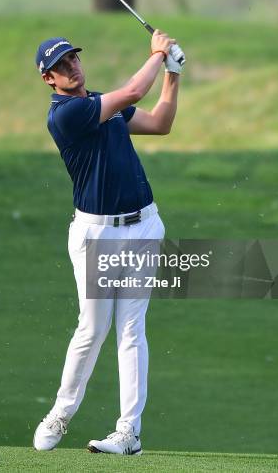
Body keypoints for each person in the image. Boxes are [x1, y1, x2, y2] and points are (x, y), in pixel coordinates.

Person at [33, 30, 185, 455]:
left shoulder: (104, 106)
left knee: (132, 330)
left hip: (143, 226)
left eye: (74, 59)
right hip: (97, 234)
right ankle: (61, 413)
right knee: (93, 328)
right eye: (62, 65)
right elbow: (136, 88)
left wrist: (173, 73)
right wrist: (157, 54)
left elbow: (160, 123)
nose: (73, 66)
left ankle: (128, 432)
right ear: (49, 79)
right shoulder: (67, 114)